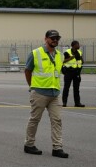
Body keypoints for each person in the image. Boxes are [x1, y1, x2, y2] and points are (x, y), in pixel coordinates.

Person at [23, 30, 69, 158]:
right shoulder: (35, 53)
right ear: (46, 39)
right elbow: (27, 70)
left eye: (57, 38)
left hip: (55, 93)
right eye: (52, 38)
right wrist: (32, 86)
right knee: (35, 119)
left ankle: (57, 147)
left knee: (57, 120)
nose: (55, 40)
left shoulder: (60, 55)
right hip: (39, 92)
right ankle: (29, 144)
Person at [61, 39, 85, 107]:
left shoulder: (79, 52)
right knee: (66, 87)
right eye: (77, 44)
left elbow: (81, 60)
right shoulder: (67, 52)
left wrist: (81, 61)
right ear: (73, 45)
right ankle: (64, 102)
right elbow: (62, 61)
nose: (79, 45)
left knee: (76, 89)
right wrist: (70, 58)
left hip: (77, 72)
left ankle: (77, 103)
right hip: (69, 72)